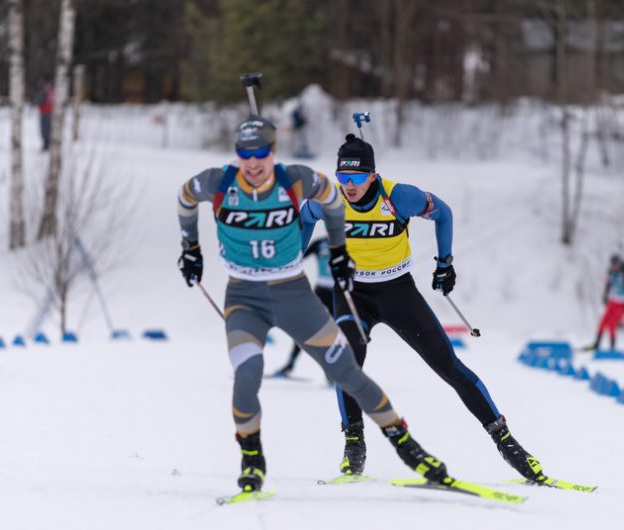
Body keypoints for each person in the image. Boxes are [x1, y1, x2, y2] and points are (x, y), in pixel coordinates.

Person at [177, 115, 454, 493]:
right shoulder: (217, 181)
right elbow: (184, 198)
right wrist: (190, 248)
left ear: (272, 153)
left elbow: (330, 199)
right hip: (244, 294)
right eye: (245, 153)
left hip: (293, 292)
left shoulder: (296, 178)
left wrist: (337, 249)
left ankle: (409, 449)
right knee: (247, 374)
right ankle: (252, 462)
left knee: (346, 371)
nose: (253, 162)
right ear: (236, 155)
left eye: (261, 153)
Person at [301, 133, 547, 483]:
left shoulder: (399, 196)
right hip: (353, 292)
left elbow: (443, 213)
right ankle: (354, 444)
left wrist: (444, 263)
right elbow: (304, 217)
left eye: (356, 178)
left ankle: (507, 443)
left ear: (372, 175)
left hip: (397, 292)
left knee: (448, 366)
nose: (348, 186)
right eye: (343, 177)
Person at [271, 234, 334, 378]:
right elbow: (298, 257)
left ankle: (332, 371)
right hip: (321, 290)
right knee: (306, 328)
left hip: (339, 293)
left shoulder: (348, 242)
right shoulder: (320, 243)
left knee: (336, 331)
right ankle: (290, 365)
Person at [587, 254, 624, 351]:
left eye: (616, 264)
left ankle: (612, 348)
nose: (614, 266)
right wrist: (605, 295)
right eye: (613, 264)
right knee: (603, 322)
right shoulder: (611, 273)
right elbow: (608, 284)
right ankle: (596, 344)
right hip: (613, 302)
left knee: (611, 324)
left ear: (620, 264)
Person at [35, 80, 54, 151]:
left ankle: (46, 144)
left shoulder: (45, 92)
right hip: (49, 112)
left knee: (45, 129)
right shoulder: (52, 92)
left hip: (45, 113)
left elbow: (38, 101)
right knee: (48, 129)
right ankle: (48, 143)